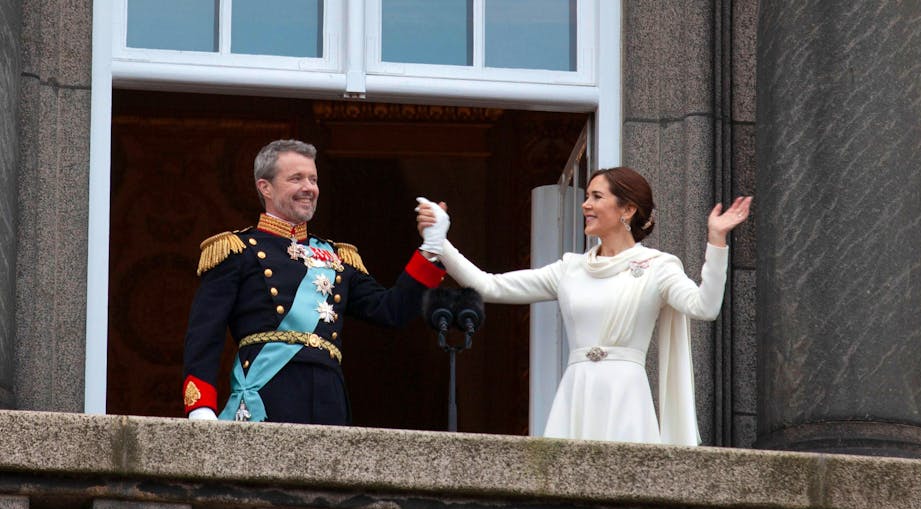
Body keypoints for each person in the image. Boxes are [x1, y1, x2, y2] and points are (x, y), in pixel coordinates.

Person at [416, 167, 751, 444]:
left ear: (627, 209)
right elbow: (490, 285)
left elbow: (704, 307)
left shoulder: (658, 266)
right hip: (576, 392)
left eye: (596, 197)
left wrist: (716, 241)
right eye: (586, 196)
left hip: (626, 396)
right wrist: (440, 243)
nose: (585, 204)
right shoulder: (570, 269)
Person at [182, 139, 446, 424]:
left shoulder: (338, 257)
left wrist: (430, 248)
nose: (309, 187)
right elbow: (204, 335)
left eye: (313, 179)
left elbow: (391, 310)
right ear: (265, 187)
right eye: (296, 178)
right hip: (269, 394)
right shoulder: (238, 250)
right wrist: (201, 407)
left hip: (328, 399)